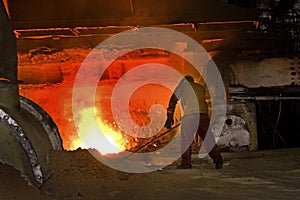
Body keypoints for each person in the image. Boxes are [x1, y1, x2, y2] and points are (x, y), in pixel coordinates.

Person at [164, 75, 223, 169]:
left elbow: (173, 101)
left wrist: (169, 117)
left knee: (186, 141)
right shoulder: (200, 87)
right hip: (203, 116)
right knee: (208, 139)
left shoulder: (183, 86)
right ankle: (218, 161)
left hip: (190, 116)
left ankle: (186, 164)